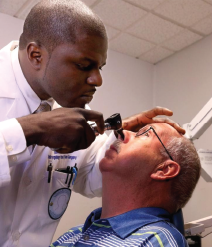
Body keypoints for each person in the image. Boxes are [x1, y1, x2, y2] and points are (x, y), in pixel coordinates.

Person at [0, 1, 185, 246]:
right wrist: (30, 130)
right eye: (83, 65)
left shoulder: (74, 111)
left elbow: (89, 176)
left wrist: (120, 143)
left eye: (99, 67)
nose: (97, 80)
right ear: (37, 55)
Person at [52, 123, 201, 247]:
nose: (122, 133)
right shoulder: (73, 234)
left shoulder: (158, 240)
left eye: (144, 134)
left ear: (164, 169)